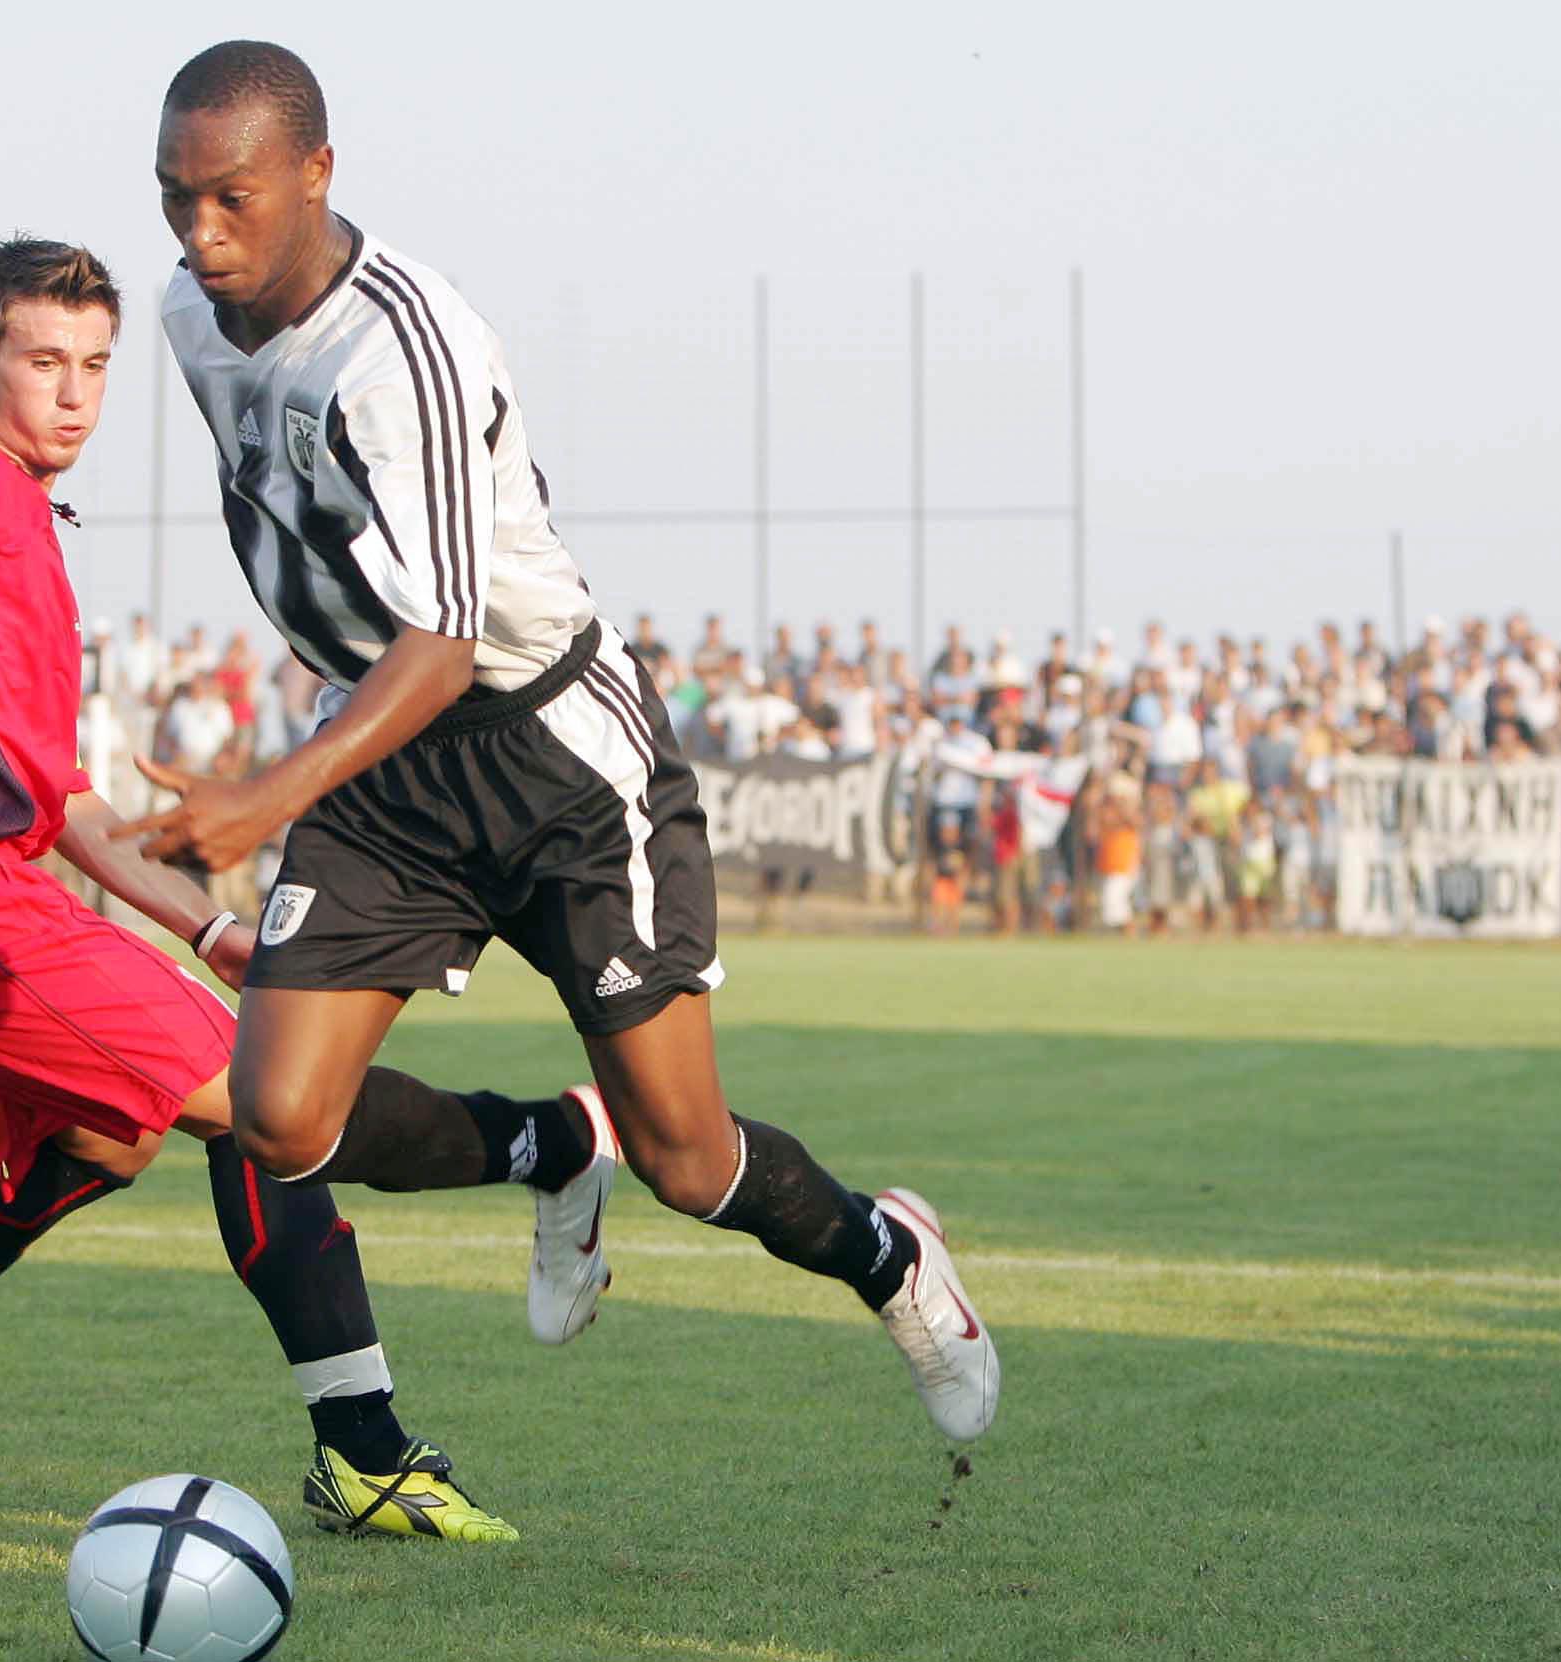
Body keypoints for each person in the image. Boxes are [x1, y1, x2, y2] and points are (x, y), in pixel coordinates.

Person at [131, 41, 996, 1448]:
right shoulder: (187, 311)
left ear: (316, 175)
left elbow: (451, 640)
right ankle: (549, 1142)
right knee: (279, 1118)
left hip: (550, 756)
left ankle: (892, 1258)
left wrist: (257, 803)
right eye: (176, 200)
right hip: (386, 755)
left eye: (229, 199)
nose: (199, 234)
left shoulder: (398, 346)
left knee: (688, 1155)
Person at [0, 239, 515, 1541]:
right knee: (269, 1103)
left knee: (106, 1136)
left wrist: (207, 922)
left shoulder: (17, 527)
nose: (74, 393)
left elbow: (67, 805)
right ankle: (370, 1441)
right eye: (43, 362)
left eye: (96, 366)